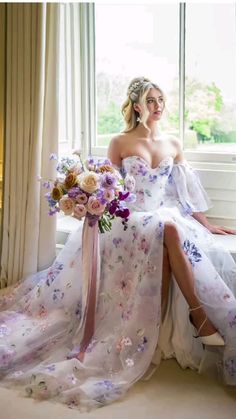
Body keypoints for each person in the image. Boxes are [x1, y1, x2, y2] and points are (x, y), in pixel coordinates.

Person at [0, 76, 236, 411]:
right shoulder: (120, 141)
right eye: (151, 100)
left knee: (168, 229)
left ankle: (182, 325)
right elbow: (109, 191)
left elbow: (184, 193)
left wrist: (208, 225)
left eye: (161, 99)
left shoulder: (173, 143)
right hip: (128, 221)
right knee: (166, 229)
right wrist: (90, 204)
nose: (158, 106)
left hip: (160, 218)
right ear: (137, 105)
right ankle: (199, 319)